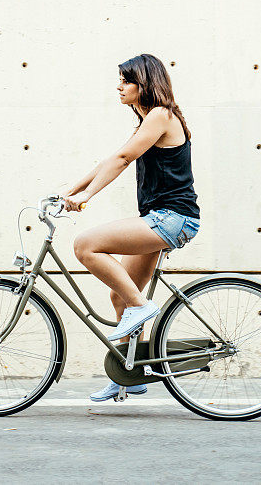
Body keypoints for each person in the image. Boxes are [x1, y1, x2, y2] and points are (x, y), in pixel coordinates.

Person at [62, 54, 201, 402]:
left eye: (126, 80)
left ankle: (141, 308)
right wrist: (70, 192)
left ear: (145, 84)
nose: (119, 86)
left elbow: (123, 161)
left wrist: (88, 197)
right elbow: (112, 159)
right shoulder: (147, 123)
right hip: (162, 218)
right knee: (119, 295)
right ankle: (129, 375)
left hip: (172, 218)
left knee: (85, 245)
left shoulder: (161, 115)